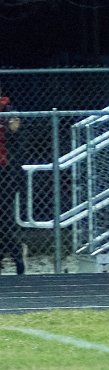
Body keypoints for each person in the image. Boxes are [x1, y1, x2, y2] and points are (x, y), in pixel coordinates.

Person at [0, 90, 25, 276]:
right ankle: (9, 254)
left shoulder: (8, 110)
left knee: (4, 218)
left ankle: (16, 255)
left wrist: (11, 127)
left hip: (5, 172)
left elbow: (16, 137)